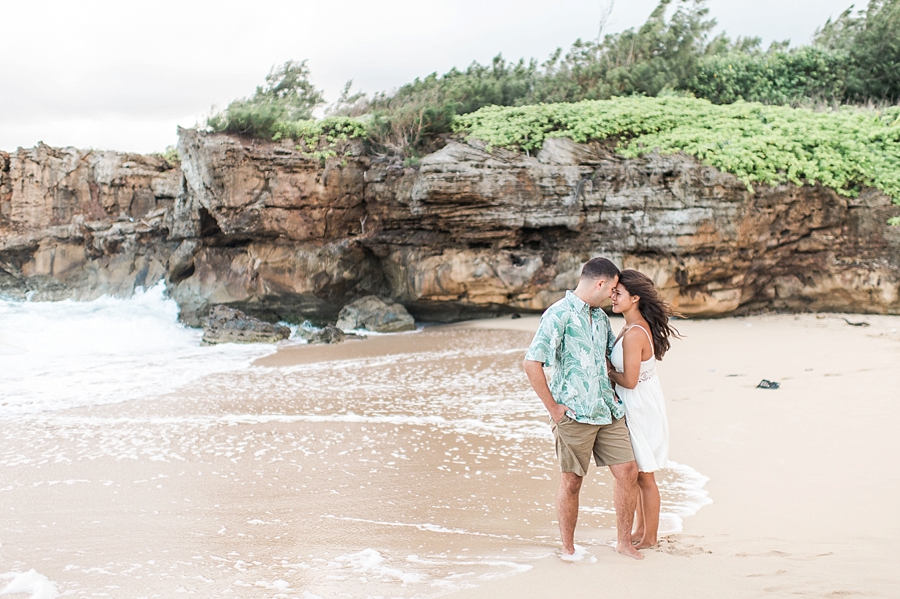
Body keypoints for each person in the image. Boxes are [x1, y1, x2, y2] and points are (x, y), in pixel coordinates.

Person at [523, 257, 643, 560]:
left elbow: (605, 360)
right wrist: (553, 408)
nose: (613, 295)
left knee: (628, 471)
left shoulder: (602, 319)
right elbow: (531, 362)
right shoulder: (557, 315)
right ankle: (567, 547)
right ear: (600, 283)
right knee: (572, 481)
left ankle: (623, 542)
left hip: (607, 410)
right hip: (573, 414)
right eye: (613, 289)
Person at [607, 269, 681, 550]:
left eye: (618, 293)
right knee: (637, 472)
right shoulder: (629, 325)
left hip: (639, 405)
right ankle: (640, 529)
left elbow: (630, 379)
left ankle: (650, 537)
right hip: (637, 402)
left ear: (635, 297)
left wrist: (607, 371)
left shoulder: (635, 332)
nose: (612, 297)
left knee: (645, 475)